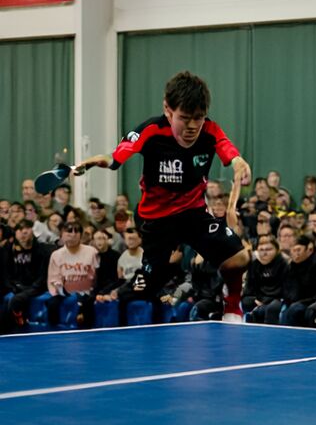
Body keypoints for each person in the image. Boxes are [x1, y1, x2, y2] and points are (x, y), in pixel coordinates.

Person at [73, 71, 251, 321]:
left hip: (193, 215)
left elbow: (228, 150)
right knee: (146, 287)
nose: (192, 126)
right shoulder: (151, 130)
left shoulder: (210, 131)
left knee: (239, 257)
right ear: (168, 110)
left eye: (198, 118)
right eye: (184, 118)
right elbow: (115, 157)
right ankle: (108, 298)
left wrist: (239, 163)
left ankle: (232, 307)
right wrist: (94, 161)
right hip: (156, 222)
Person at [1, 219, 52, 332]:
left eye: (27, 229)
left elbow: (43, 277)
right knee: (9, 297)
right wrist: (13, 287)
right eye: (20, 229)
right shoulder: (8, 249)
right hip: (16, 286)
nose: (23, 232)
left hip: (36, 287)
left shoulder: (42, 250)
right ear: (15, 233)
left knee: (16, 299)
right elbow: (6, 274)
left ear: (33, 232)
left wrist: (30, 289)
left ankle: (14, 327)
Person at [46, 220, 99, 327]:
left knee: (87, 303)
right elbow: (53, 279)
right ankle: (54, 331)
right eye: (69, 231)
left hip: (87, 291)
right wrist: (62, 290)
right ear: (61, 235)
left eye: (76, 231)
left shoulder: (92, 252)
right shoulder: (56, 255)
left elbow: (97, 276)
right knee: (52, 304)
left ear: (81, 235)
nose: (73, 234)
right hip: (64, 291)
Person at [241, 235, 287, 324]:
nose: (264, 253)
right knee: (246, 302)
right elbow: (248, 291)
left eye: (268, 249)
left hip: (277, 300)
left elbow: (286, 291)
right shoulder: (254, 266)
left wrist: (266, 301)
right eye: (261, 250)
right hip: (259, 300)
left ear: (277, 250)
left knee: (273, 307)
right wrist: (255, 300)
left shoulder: (284, 265)